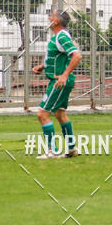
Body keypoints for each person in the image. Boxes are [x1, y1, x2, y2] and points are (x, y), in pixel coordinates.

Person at [32, 10, 82, 158]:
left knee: (42, 114)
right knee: (60, 114)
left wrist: (64, 76)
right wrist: (43, 66)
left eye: (51, 16)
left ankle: (52, 151)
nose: (49, 17)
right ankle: (72, 148)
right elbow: (60, 57)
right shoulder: (58, 37)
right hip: (61, 80)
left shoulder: (61, 36)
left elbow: (76, 55)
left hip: (58, 82)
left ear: (56, 22)